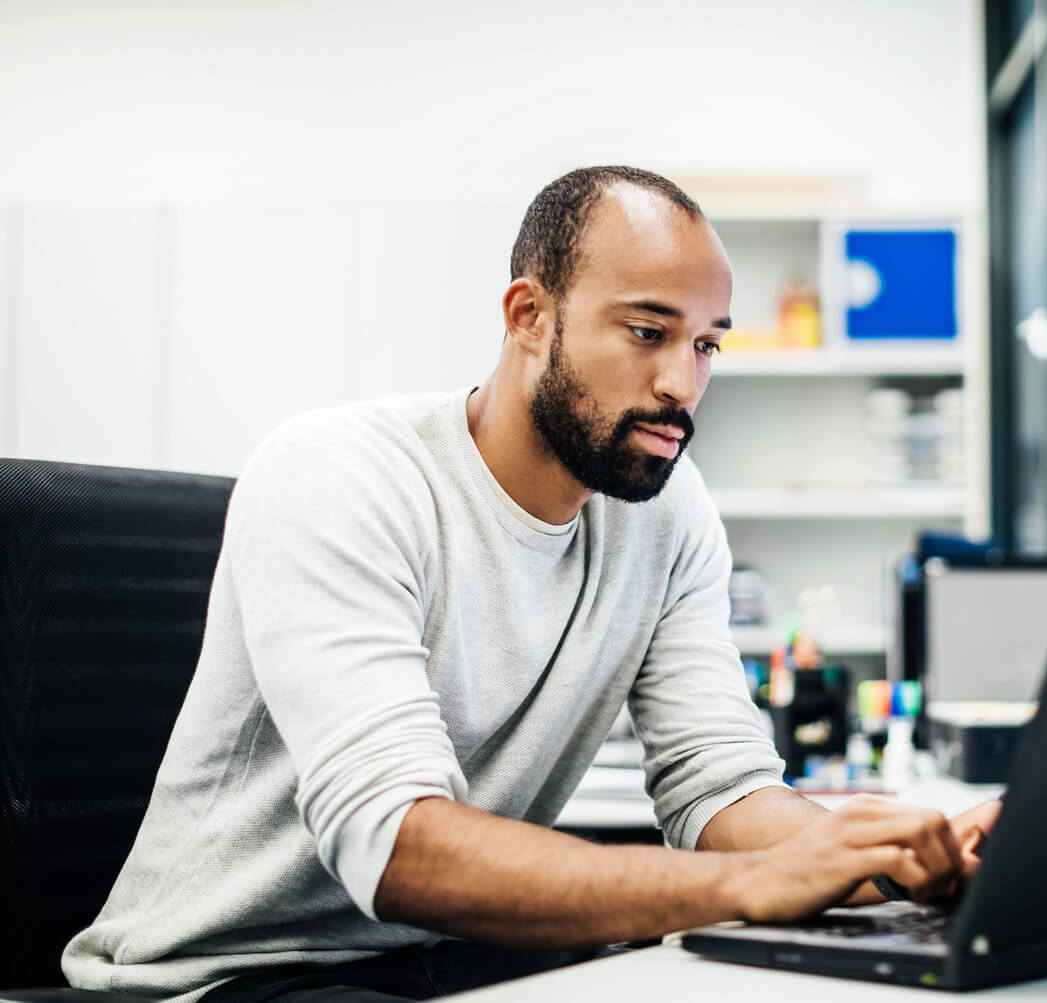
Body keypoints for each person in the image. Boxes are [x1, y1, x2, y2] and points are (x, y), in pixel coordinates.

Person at [63, 166, 999, 1001]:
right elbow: (396, 845)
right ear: (528, 317)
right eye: (647, 331)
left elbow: (720, 789)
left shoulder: (666, 516)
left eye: (709, 344)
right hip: (237, 973)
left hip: (452, 957)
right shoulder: (340, 475)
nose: (684, 381)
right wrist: (750, 884)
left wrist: (904, 857)